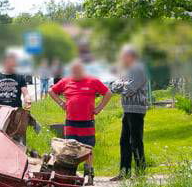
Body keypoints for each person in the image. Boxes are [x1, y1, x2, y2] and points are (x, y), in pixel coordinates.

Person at [49, 61, 112, 172]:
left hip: (87, 121)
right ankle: (71, 173)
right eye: (73, 71)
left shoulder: (93, 81)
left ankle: (89, 172)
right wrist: (61, 103)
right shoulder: (65, 81)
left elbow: (108, 93)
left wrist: (99, 108)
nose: (74, 74)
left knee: (88, 148)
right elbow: (51, 91)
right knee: (70, 148)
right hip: (71, 122)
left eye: (77, 71)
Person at [109, 46, 149, 178]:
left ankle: (140, 172)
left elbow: (130, 89)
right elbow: (114, 85)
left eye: (123, 55)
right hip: (128, 109)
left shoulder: (138, 68)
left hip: (136, 109)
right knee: (124, 141)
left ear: (131, 56)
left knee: (136, 140)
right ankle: (124, 172)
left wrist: (120, 85)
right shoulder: (127, 70)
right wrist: (121, 85)